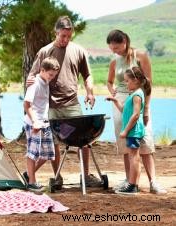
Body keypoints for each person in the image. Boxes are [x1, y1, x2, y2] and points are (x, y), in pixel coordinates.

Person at [25, 16, 102, 188]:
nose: (66, 40)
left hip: (72, 103)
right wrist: (30, 80)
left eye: (69, 36)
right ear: (56, 32)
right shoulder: (45, 51)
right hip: (50, 106)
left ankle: (86, 176)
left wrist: (90, 92)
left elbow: (87, 75)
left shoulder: (79, 51)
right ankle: (57, 177)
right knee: (54, 144)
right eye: (62, 36)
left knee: (84, 139)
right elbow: (33, 74)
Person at [106, 29, 166, 194]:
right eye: (112, 49)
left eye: (117, 48)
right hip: (121, 102)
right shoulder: (114, 62)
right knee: (127, 143)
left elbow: (148, 83)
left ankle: (153, 181)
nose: (115, 52)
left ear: (125, 40)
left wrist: (146, 109)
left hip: (139, 100)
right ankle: (130, 181)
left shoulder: (140, 56)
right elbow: (109, 82)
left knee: (145, 139)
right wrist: (113, 91)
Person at [106, 67, 150, 194]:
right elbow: (124, 110)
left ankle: (132, 185)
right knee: (133, 157)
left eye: (127, 81)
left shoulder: (137, 95)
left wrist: (125, 130)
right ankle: (132, 184)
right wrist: (114, 100)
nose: (125, 83)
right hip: (132, 131)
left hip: (133, 131)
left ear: (135, 81)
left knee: (134, 157)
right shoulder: (133, 94)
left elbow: (136, 115)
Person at [23, 56, 60, 192]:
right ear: (42, 70)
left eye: (53, 76)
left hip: (45, 122)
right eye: (50, 75)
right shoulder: (35, 83)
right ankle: (32, 182)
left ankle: (28, 174)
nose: (51, 78)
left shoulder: (45, 81)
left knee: (47, 154)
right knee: (33, 153)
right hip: (34, 123)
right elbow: (27, 105)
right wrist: (35, 122)